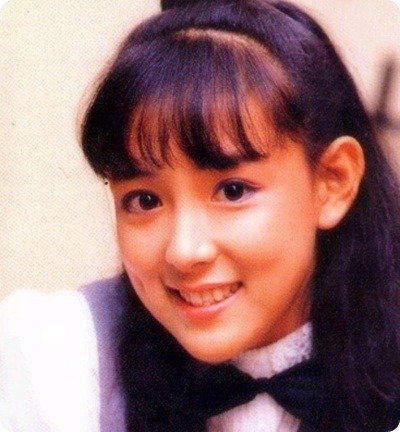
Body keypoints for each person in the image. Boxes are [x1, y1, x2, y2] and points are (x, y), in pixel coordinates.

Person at [1, 0, 400, 431]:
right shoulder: (60, 359)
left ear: (333, 182)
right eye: (144, 200)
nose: (184, 251)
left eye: (232, 191)